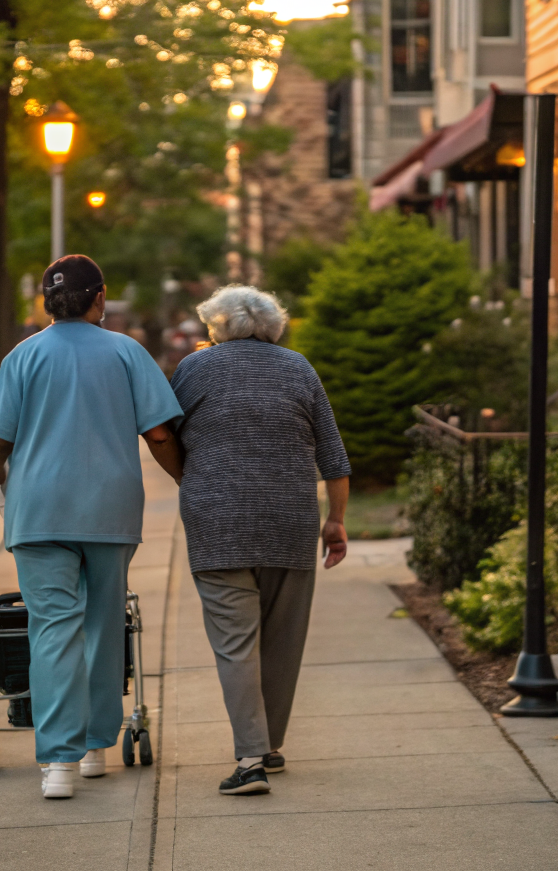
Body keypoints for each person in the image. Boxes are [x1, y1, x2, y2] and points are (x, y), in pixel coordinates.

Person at [0, 255, 183, 800]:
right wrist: (190, 481)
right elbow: (159, 435)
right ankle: (94, 749)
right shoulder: (127, 353)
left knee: (52, 629)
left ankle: (58, 763)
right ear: (100, 297)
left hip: (39, 513)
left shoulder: (23, 356)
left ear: (47, 302)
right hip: (110, 511)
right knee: (104, 624)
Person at [169, 285, 351, 796]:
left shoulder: (195, 369)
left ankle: (249, 759)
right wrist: (335, 522)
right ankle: (267, 744)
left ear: (218, 327)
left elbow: (165, 434)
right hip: (290, 521)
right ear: (274, 326)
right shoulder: (299, 369)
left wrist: (196, 478)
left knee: (235, 644)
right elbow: (333, 457)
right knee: (282, 640)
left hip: (218, 521)